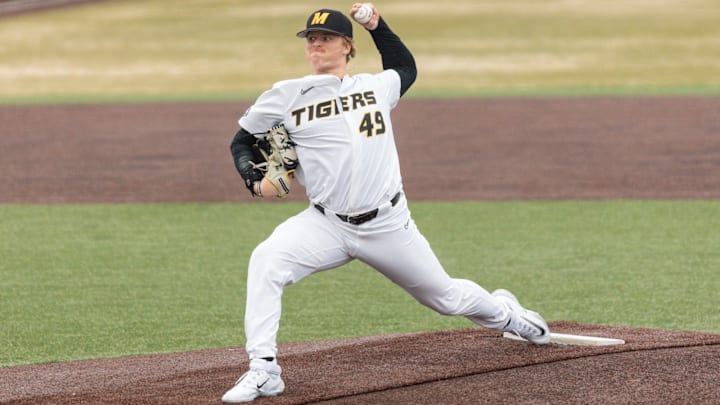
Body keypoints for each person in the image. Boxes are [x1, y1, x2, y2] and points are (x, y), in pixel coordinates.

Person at [222, 3, 550, 403]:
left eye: (325, 38)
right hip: (325, 224)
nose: (315, 44)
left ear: (347, 46)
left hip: (387, 224)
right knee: (266, 261)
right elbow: (242, 140)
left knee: (445, 297)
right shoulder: (285, 95)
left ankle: (511, 316)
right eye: (311, 38)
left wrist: (377, 25)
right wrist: (252, 180)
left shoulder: (375, 87)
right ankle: (264, 369)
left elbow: (406, 67)